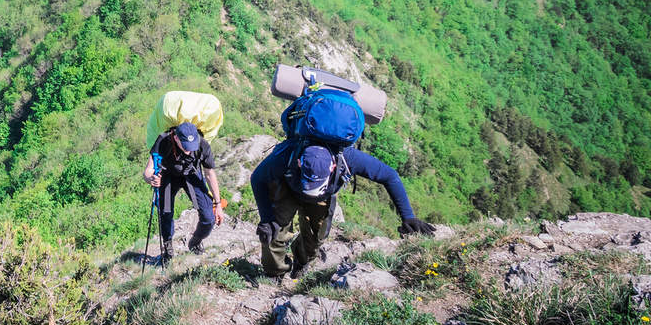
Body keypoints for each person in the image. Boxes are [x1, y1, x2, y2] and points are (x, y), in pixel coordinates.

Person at [250, 140, 435, 278]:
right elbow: (257, 178)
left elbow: (389, 176)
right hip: (287, 186)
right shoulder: (288, 153)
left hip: (323, 196)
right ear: (299, 163)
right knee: (274, 231)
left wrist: (408, 217)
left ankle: (302, 261)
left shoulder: (349, 158)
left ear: (333, 166)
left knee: (316, 237)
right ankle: (275, 273)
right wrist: (266, 218)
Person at [143, 121, 224, 265]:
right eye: (185, 146)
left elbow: (210, 174)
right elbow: (148, 171)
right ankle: (168, 251)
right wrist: (151, 179)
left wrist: (218, 204)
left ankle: (195, 241)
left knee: (208, 218)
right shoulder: (163, 141)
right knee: (165, 214)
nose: (189, 150)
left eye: (191, 147)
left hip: (191, 174)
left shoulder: (202, 144)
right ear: (176, 138)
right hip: (167, 175)